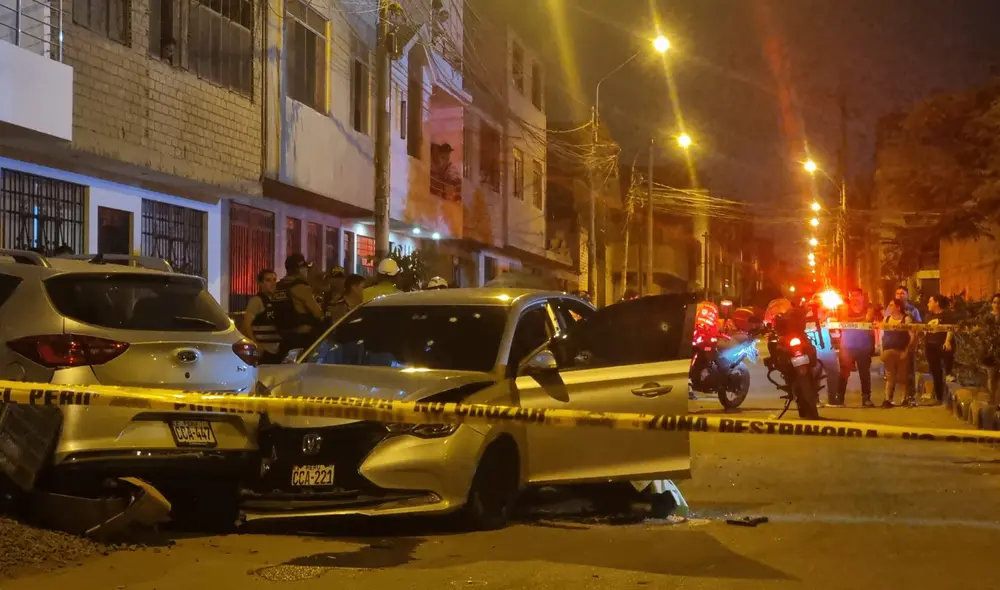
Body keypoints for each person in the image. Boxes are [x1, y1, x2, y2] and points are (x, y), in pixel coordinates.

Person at [272, 253, 325, 354]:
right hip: (301, 340)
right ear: (300, 269)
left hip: (283, 339)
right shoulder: (301, 288)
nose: (307, 271)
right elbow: (318, 314)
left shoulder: (278, 287)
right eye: (305, 268)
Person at [837, 288, 876, 408]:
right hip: (847, 345)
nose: (854, 298)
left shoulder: (868, 308)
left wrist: (852, 321)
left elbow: (868, 319)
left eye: (857, 295)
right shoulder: (844, 308)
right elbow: (843, 320)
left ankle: (866, 398)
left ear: (862, 297)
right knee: (844, 372)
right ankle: (840, 398)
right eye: (852, 295)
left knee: (864, 373)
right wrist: (860, 320)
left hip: (864, 345)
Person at [238, 269, 283, 364]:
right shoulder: (257, 301)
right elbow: (247, 324)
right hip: (264, 351)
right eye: (268, 280)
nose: (272, 283)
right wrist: (256, 344)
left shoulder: (277, 301)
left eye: (274, 280)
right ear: (260, 283)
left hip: (277, 349)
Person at [880, 298, 916, 408]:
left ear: (898, 307)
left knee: (902, 377)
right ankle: (887, 399)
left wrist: (907, 350)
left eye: (891, 305)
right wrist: (881, 350)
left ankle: (903, 399)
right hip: (888, 351)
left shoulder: (906, 319)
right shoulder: (886, 319)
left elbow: (912, 336)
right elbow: (882, 336)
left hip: (901, 351)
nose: (889, 308)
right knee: (890, 376)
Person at [924, 294, 955, 405]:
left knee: (946, 372)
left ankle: (947, 398)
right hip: (930, 347)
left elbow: (950, 328)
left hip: (942, 346)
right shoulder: (928, 316)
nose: (928, 304)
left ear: (937, 303)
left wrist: (947, 341)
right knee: (935, 372)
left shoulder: (946, 315)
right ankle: (938, 397)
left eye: (930, 301)